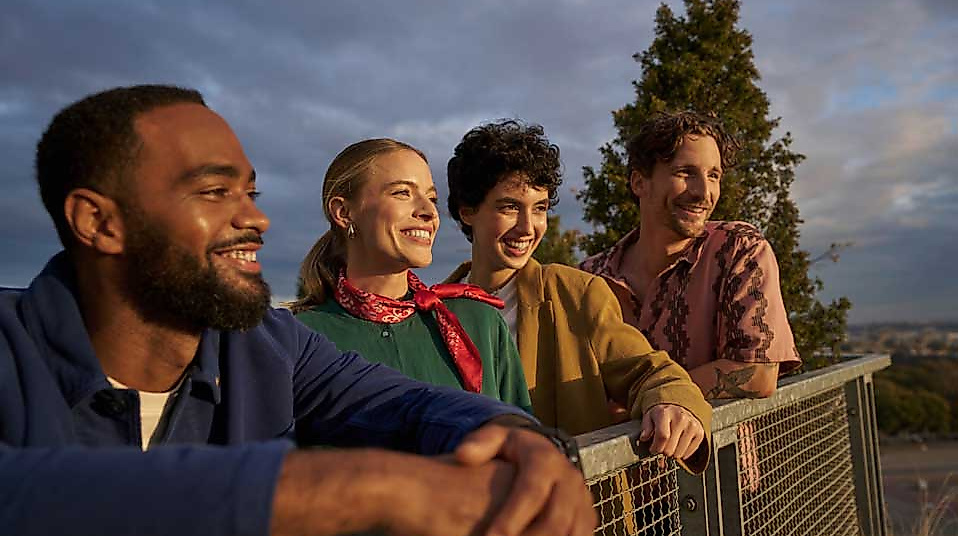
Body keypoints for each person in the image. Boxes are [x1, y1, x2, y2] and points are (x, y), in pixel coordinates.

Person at [0, 85, 596, 536]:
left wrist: (518, 437)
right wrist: (362, 490)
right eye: (214, 192)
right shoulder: (11, 350)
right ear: (99, 222)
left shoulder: (268, 345)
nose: (255, 219)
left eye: (251, 193)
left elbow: (406, 402)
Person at [445, 119, 711, 472]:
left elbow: (647, 370)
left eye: (539, 208)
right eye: (509, 207)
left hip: (572, 499)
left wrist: (674, 402)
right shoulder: (433, 311)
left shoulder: (575, 293)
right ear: (467, 211)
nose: (528, 227)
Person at [288, 138, 531, 413]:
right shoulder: (298, 340)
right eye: (402, 193)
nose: (429, 212)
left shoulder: (480, 323)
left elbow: (523, 433)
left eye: (432, 198)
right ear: (344, 212)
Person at [579, 110, 801, 400]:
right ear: (639, 182)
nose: (704, 192)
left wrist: (645, 401)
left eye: (713, 176)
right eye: (685, 173)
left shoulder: (739, 250)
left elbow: (758, 372)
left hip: (718, 434)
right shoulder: (588, 278)